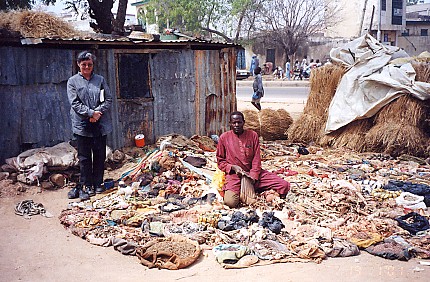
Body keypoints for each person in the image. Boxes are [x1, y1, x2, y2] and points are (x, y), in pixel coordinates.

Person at [216, 111, 290, 208]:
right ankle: (249, 190)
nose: (237, 125)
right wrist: (233, 167)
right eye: (234, 123)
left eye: (239, 122)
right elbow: (220, 161)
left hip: (253, 174)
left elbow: (256, 159)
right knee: (230, 202)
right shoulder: (224, 138)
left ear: (244, 122)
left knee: (284, 185)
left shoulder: (252, 135)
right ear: (230, 123)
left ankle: (253, 189)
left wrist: (253, 176)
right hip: (235, 176)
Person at [67, 51, 113, 200]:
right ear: (78, 65)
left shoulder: (99, 80)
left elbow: (108, 99)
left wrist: (97, 112)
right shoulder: (73, 81)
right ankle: (87, 185)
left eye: (89, 64)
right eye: (84, 64)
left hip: (99, 124)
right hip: (82, 124)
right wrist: (90, 113)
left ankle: (98, 183)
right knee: (85, 157)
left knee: (99, 155)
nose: (87, 66)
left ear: (93, 65)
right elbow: (74, 103)